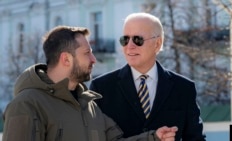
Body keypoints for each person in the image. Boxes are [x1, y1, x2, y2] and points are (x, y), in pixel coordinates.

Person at [2, 25, 178, 141]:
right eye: (87, 53)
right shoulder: (27, 104)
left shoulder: (89, 105)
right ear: (66, 59)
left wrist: (153, 138)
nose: (93, 59)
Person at [90, 13, 206, 141]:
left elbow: (196, 139)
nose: (130, 46)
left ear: (157, 44)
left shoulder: (183, 88)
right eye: (125, 40)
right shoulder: (101, 88)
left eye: (137, 39)